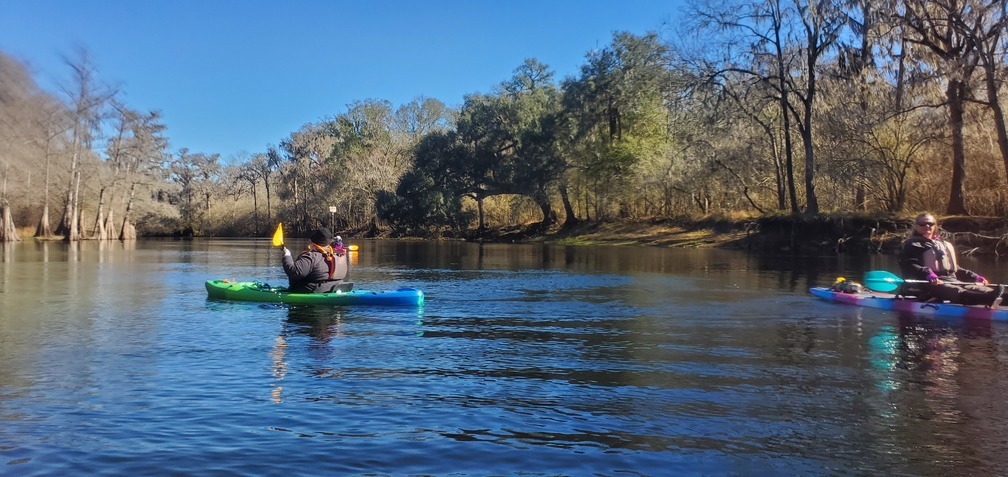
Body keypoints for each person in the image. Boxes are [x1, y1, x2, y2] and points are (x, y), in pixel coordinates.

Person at [898, 212, 1004, 308]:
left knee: (981, 289)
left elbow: (953, 268)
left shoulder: (940, 244)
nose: (927, 226)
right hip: (928, 284)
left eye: (930, 223)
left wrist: (975, 277)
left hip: (952, 280)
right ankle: (987, 299)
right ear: (916, 226)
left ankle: (997, 297)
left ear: (935, 226)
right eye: (922, 223)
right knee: (955, 291)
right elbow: (910, 265)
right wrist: (928, 274)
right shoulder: (911, 245)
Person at [282, 227, 349, 293]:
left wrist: (287, 255)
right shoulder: (337, 255)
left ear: (312, 243)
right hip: (336, 288)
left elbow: (294, 272)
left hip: (313, 291)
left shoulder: (311, 257)